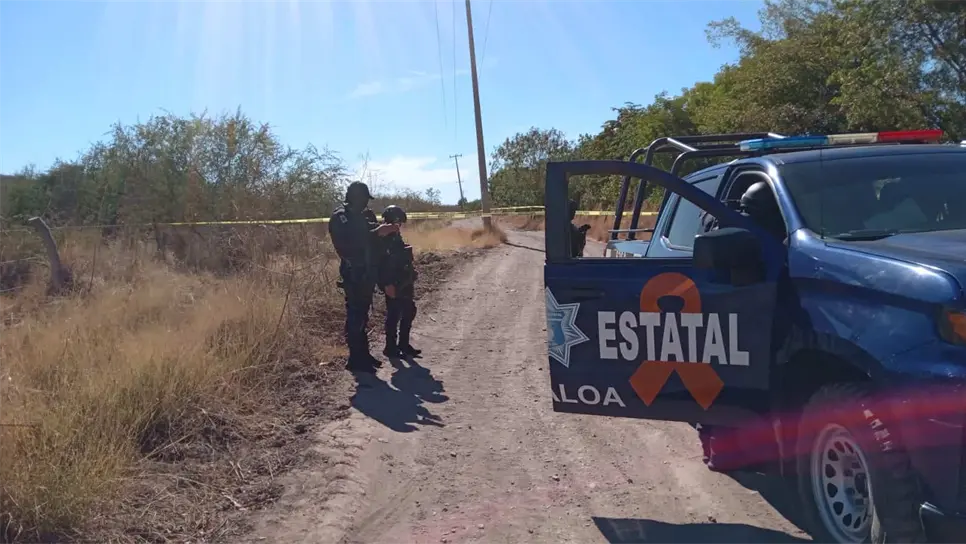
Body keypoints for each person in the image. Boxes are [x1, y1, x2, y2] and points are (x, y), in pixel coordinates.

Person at [328, 181, 400, 373]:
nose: (366, 204)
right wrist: (377, 232)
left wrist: (385, 230)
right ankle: (355, 359)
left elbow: (368, 230)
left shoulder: (360, 216)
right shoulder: (340, 217)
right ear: (355, 197)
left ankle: (364, 354)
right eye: (364, 199)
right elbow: (351, 241)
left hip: (367, 272)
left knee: (363, 314)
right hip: (353, 272)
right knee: (355, 315)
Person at [377, 205, 422, 359]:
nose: (399, 226)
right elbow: (382, 264)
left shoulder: (396, 236)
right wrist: (387, 284)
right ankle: (390, 347)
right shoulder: (382, 238)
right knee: (394, 314)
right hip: (392, 281)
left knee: (409, 310)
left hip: (404, 279)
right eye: (397, 222)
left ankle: (403, 344)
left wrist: (411, 271)